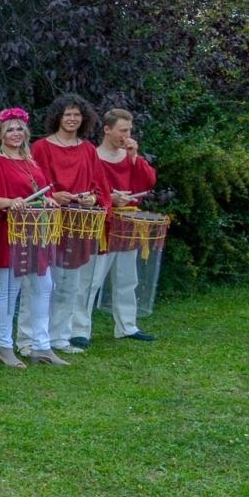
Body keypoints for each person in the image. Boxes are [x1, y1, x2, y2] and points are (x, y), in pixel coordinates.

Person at [0, 107, 64, 366]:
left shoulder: (30, 161)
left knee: (44, 286)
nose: (15, 133)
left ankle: (41, 345)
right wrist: (9, 201)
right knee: (9, 289)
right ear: (0, 134)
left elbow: (41, 191)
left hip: (36, 232)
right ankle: (5, 347)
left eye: (19, 129)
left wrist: (48, 200)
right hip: (9, 233)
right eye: (10, 130)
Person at [26, 94, 105, 355]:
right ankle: (31, 339)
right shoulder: (41, 148)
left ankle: (60, 338)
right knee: (39, 284)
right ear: (58, 117)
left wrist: (92, 198)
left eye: (76, 115)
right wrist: (52, 196)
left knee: (70, 284)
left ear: (84, 118)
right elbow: (29, 184)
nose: (72, 119)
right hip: (46, 222)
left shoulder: (89, 150)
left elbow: (99, 187)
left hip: (77, 224)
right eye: (67, 114)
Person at [83, 106, 158, 343]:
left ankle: (127, 326)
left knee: (127, 277)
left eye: (129, 130)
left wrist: (135, 157)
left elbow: (148, 181)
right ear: (107, 130)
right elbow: (89, 187)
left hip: (127, 223)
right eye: (122, 131)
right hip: (104, 223)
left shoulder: (129, 155)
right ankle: (79, 330)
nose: (126, 136)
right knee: (93, 278)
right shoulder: (94, 156)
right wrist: (110, 198)